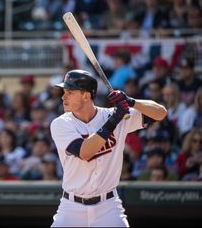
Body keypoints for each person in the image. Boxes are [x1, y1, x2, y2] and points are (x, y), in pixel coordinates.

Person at [50, 69, 167, 226]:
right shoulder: (61, 124)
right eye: (64, 91)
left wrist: (131, 101)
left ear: (86, 95)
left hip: (108, 207)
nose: (63, 97)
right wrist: (115, 119)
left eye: (70, 92)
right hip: (71, 207)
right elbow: (85, 152)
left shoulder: (112, 115)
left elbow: (160, 113)